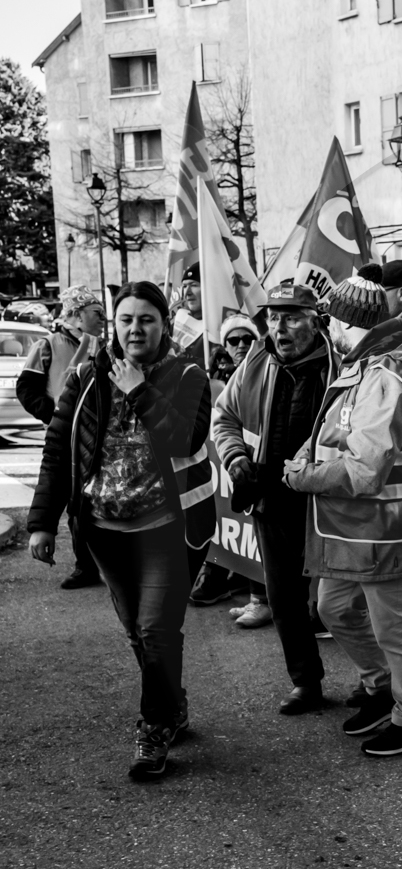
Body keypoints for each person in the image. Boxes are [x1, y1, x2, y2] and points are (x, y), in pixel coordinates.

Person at [28, 281, 216, 779]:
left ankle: (154, 730)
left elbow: (185, 436)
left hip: (166, 529)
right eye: (127, 319)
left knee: (156, 630)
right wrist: (42, 523)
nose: (136, 328)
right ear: (115, 324)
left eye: (147, 319)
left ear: (165, 325)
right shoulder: (87, 375)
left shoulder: (189, 373)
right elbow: (58, 448)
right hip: (104, 529)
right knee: (137, 631)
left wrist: (139, 388)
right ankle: (172, 704)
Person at [283, 267, 402, 757]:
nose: (326, 330)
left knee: (396, 629)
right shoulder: (368, 366)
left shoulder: (384, 375)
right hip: (362, 530)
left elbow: (366, 470)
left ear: (345, 323)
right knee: (334, 609)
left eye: (330, 320)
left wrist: (303, 476)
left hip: (389, 531)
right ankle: (381, 689)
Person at [212, 283, 337, 714]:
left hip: (329, 504)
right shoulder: (256, 361)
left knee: (342, 604)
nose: (279, 327)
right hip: (271, 500)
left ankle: (375, 684)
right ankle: (306, 682)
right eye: (273, 317)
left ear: (316, 321)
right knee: (284, 600)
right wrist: (234, 458)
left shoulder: (341, 367)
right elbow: (224, 416)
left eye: (292, 317)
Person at [17, 284, 106, 589]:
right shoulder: (48, 344)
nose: (103, 319)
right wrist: (54, 415)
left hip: (98, 438)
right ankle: (85, 566)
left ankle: (106, 562)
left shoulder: (104, 346)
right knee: (74, 501)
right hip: (64, 438)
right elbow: (26, 389)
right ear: (78, 316)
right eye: (97, 313)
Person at [189, 314, 269, 619]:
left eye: (247, 339)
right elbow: (220, 419)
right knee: (230, 527)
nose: (240, 345)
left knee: (254, 531)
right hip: (231, 462)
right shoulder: (217, 376)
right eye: (233, 340)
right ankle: (224, 579)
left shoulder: (267, 369)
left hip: (261, 467)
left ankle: (262, 598)